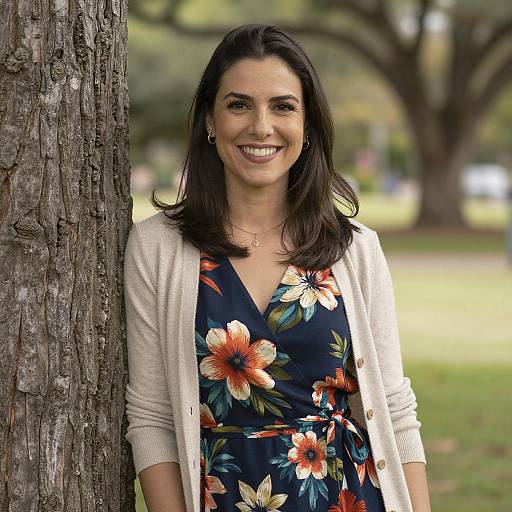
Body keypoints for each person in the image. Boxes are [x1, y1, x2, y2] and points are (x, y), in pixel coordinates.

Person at [123, 24, 431, 512]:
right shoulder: (157, 249)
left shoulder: (355, 251)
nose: (261, 127)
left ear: (307, 127)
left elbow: (393, 408)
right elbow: (152, 417)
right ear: (209, 120)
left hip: (347, 497)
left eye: (283, 106)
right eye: (238, 104)